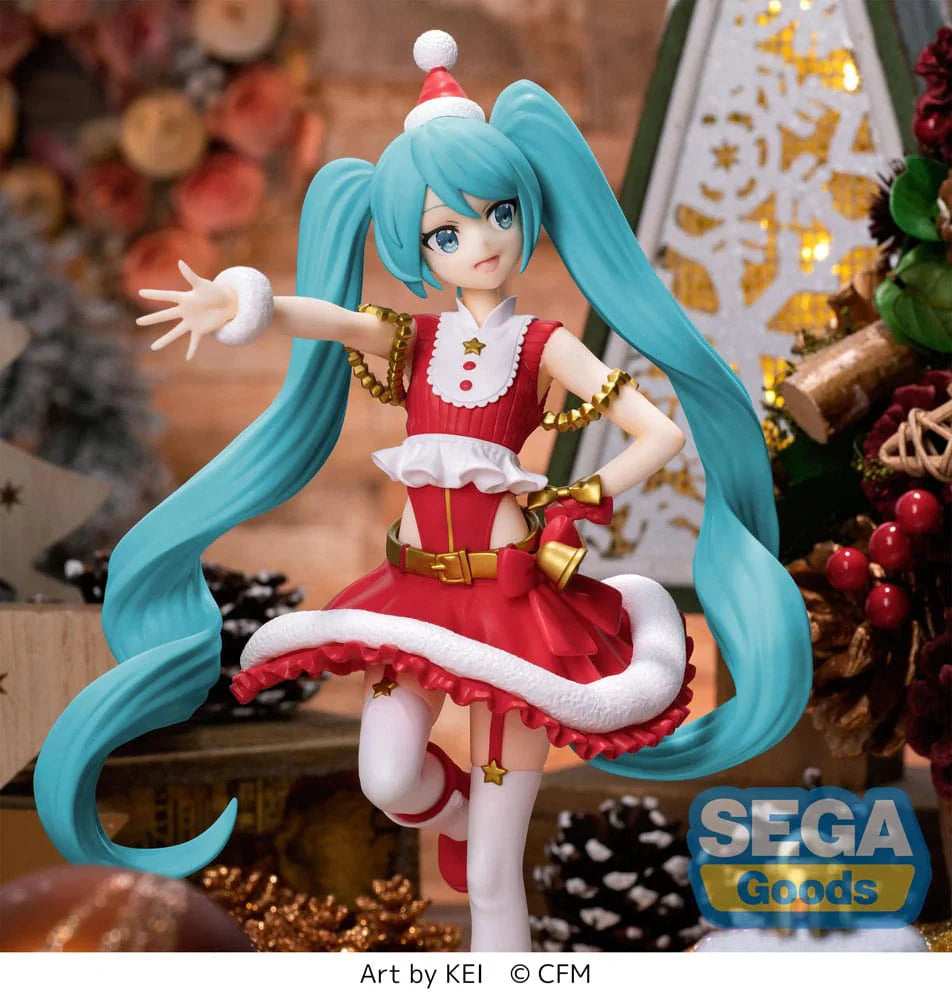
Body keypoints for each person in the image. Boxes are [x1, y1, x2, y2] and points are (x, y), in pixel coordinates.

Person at [34, 31, 811, 952]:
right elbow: (329, 319)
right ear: (418, 246)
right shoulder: (418, 340)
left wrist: (579, 494)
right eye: (448, 232)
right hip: (413, 597)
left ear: (526, 214)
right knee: (388, 777)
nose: (479, 244)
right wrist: (247, 303)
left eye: (497, 216)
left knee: (493, 878)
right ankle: (458, 816)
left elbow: (662, 431)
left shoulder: (543, 344)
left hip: (516, 609)